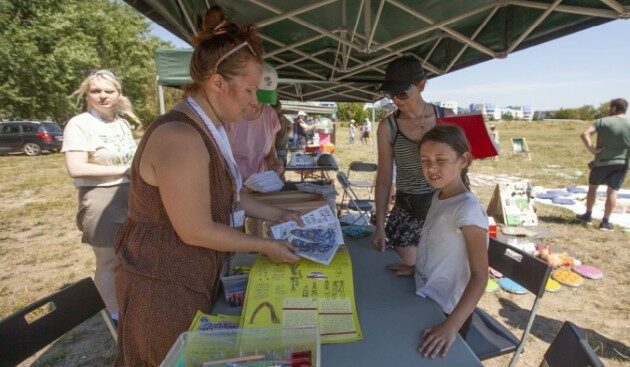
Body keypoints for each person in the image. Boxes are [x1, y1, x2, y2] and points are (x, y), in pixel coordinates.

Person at [114, 7, 300, 366]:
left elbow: (230, 192)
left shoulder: (210, 128)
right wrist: (265, 245)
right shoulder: (181, 135)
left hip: (189, 278)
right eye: (248, 89)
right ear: (217, 83)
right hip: (162, 289)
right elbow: (195, 229)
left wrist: (279, 213)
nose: (253, 100)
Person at [388, 125, 488, 358]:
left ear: (463, 160)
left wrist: (451, 326)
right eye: (425, 160)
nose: (431, 167)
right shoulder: (439, 195)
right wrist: (415, 268)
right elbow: (440, 246)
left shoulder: (467, 210)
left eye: (440, 159)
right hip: (426, 296)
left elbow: (481, 275)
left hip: (447, 313)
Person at [61, 69, 139, 325]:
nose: (103, 96)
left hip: (130, 194)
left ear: (118, 94)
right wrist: (125, 171)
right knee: (108, 261)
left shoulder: (122, 123)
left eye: (109, 91)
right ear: (87, 95)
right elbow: (77, 167)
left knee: (129, 256)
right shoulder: (80, 124)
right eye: (96, 91)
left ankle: (129, 306)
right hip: (100, 198)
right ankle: (114, 317)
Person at [372, 56, 453, 266]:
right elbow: (384, 178)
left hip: (446, 210)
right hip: (408, 211)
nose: (396, 100)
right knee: (411, 272)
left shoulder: (447, 118)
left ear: (422, 85)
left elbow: (464, 165)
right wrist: (379, 225)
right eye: (391, 94)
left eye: (402, 93)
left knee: (441, 273)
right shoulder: (387, 127)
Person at [577, 98, 630, 230]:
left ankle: (588, 215)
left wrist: (593, 150)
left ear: (614, 108)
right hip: (621, 163)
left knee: (593, 188)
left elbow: (585, 134)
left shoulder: (602, 122)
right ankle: (605, 222)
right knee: (613, 192)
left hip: (601, 163)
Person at [226, 63, 282, 180]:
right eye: (257, 95)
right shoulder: (229, 114)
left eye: (264, 98)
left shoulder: (271, 115)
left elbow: (271, 149)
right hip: (234, 181)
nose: (258, 102)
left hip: (261, 182)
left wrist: (274, 162)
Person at [273, 100, 292, 168]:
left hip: (276, 148)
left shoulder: (273, 118)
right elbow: (291, 126)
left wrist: (286, 134)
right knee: (280, 169)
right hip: (281, 148)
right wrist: (286, 134)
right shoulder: (283, 118)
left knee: (277, 170)